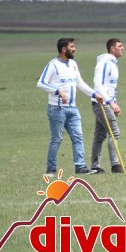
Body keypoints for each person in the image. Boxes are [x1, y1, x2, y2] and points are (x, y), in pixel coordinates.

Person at [37, 38, 103, 176]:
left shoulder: (73, 64)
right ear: (63, 49)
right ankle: (51, 169)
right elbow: (41, 83)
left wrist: (94, 94)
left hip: (73, 109)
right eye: (72, 46)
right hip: (57, 109)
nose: (75, 49)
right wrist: (58, 91)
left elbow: (79, 83)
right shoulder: (53, 65)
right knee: (56, 139)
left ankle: (80, 167)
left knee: (78, 137)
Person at [90, 38, 126, 174]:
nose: (122, 48)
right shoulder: (104, 63)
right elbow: (98, 84)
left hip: (106, 102)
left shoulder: (113, 64)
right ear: (112, 48)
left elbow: (110, 87)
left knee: (100, 135)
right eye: (120, 46)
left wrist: (115, 102)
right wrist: (110, 103)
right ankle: (116, 165)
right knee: (114, 132)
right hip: (101, 103)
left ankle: (95, 166)